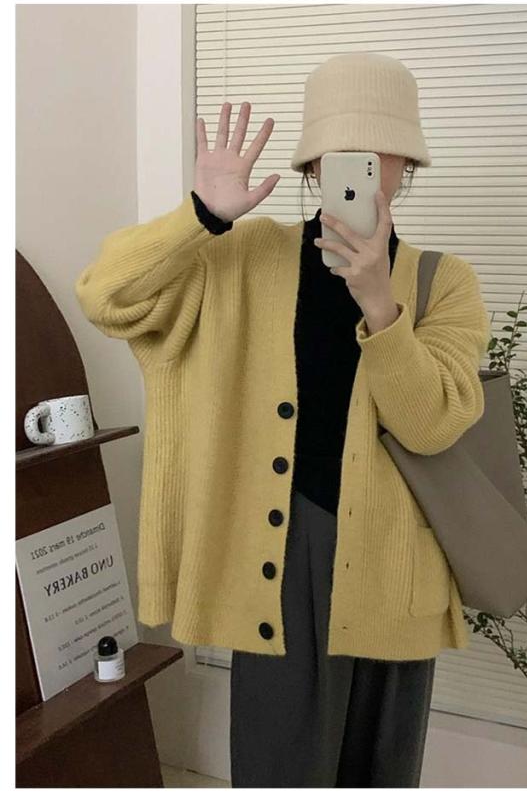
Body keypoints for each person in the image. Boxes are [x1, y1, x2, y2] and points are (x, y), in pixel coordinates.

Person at [75, 52, 490, 788]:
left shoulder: (443, 282)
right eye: (341, 148)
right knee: (278, 768)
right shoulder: (242, 255)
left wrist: (380, 304)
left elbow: (432, 424)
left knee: (379, 771)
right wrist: (201, 217)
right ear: (313, 163)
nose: (361, 165)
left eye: (380, 149)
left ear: (405, 165)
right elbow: (107, 297)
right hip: (277, 557)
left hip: (397, 562)